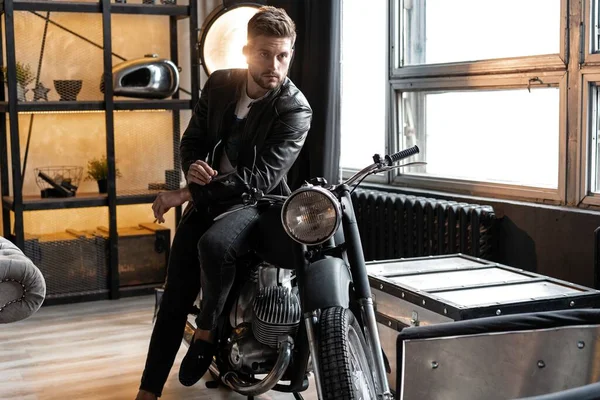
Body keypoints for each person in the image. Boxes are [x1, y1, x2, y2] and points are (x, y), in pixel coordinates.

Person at [135, 6, 312, 400]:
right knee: (176, 292)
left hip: (256, 205)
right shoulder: (218, 85)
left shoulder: (294, 108)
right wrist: (193, 168)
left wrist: (185, 193)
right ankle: (147, 391)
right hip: (211, 199)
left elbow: (259, 179)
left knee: (213, 246)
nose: (275, 65)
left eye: (283, 55)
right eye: (265, 54)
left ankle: (207, 331)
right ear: (247, 51)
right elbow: (192, 140)